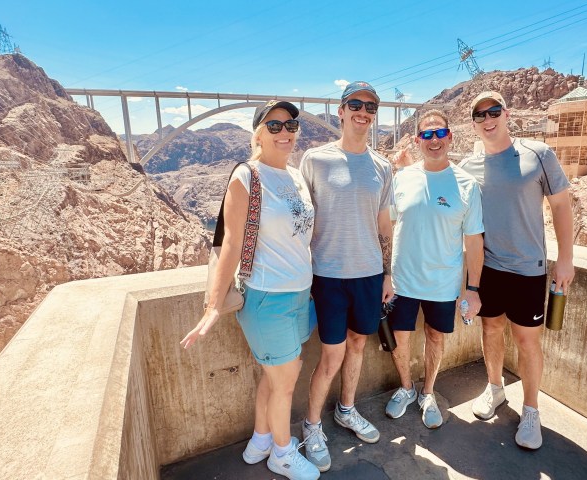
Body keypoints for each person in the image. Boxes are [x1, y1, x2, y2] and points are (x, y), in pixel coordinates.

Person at [180, 100, 320, 480]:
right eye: (274, 126)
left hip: (298, 296)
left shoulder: (295, 177)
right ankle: (282, 453)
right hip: (266, 298)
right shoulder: (247, 177)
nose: (285, 132)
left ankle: (260, 440)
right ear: (257, 133)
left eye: (291, 125)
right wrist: (212, 306)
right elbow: (230, 242)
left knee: (275, 377)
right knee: (286, 382)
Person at [458, 91, 575, 450]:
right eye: (480, 115)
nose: (487, 118)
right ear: (474, 124)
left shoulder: (537, 154)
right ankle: (494, 389)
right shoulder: (467, 166)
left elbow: (561, 206)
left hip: (528, 268)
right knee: (491, 328)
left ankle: (531, 410)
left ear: (507, 114)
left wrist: (566, 258)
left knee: (527, 340)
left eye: (494, 111)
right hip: (488, 269)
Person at [298, 81, 394, 472]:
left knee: (357, 344)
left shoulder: (382, 167)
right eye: (355, 104)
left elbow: (384, 226)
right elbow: (299, 221)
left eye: (370, 106)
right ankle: (311, 426)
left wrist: (387, 273)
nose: (363, 111)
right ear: (340, 111)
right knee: (331, 354)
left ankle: (346, 409)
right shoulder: (315, 160)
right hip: (329, 276)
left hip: (369, 275)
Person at [385, 109, 484, 429]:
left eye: (439, 133)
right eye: (426, 135)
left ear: (450, 136)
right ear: (417, 141)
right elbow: (386, 226)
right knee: (399, 337)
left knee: (435, 337)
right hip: (402, 279)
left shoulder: (467, 186)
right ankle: (406, 388)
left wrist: (473, 289)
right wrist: (384, 273)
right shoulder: (402, 178)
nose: (434, 140)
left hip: (442, 282)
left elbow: (474, 242)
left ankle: (428, 392)